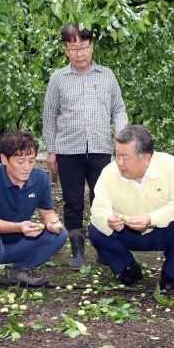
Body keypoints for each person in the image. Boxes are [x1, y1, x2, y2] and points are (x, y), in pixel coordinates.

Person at [43, 22, 128, 270]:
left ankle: (104, 249)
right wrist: (51, 149)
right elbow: (49, 115)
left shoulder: (107, 75)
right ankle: (77, 251)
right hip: (68, 149)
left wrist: (120, 131)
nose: (79, 53)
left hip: (101, 147)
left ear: (91, 47)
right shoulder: (58, 78)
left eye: (83, 47)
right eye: (73, 49)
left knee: (101, 199)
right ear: (66, 50)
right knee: (72, 201)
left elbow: (118, 108)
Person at [88, 125, 174, 290]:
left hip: (161, 231)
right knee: (96, 228)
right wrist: (108, 218)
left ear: (146, 159)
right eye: (117, 155)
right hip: (126, 233)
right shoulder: (109, 172)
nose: (119, 162)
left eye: (125, 157)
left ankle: (169, 273)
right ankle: (128, 268)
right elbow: (99, 207)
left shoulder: (170, 166)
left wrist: (152, 218)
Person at [0, 131, 67, 293]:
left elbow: (47, 213)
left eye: (31, 161)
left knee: (60, 234)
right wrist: (19, 227)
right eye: (20, 161)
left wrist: (53, 222)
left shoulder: (41, 179)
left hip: (21, 244)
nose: (27, 167)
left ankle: (21, 270)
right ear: (5, 159)